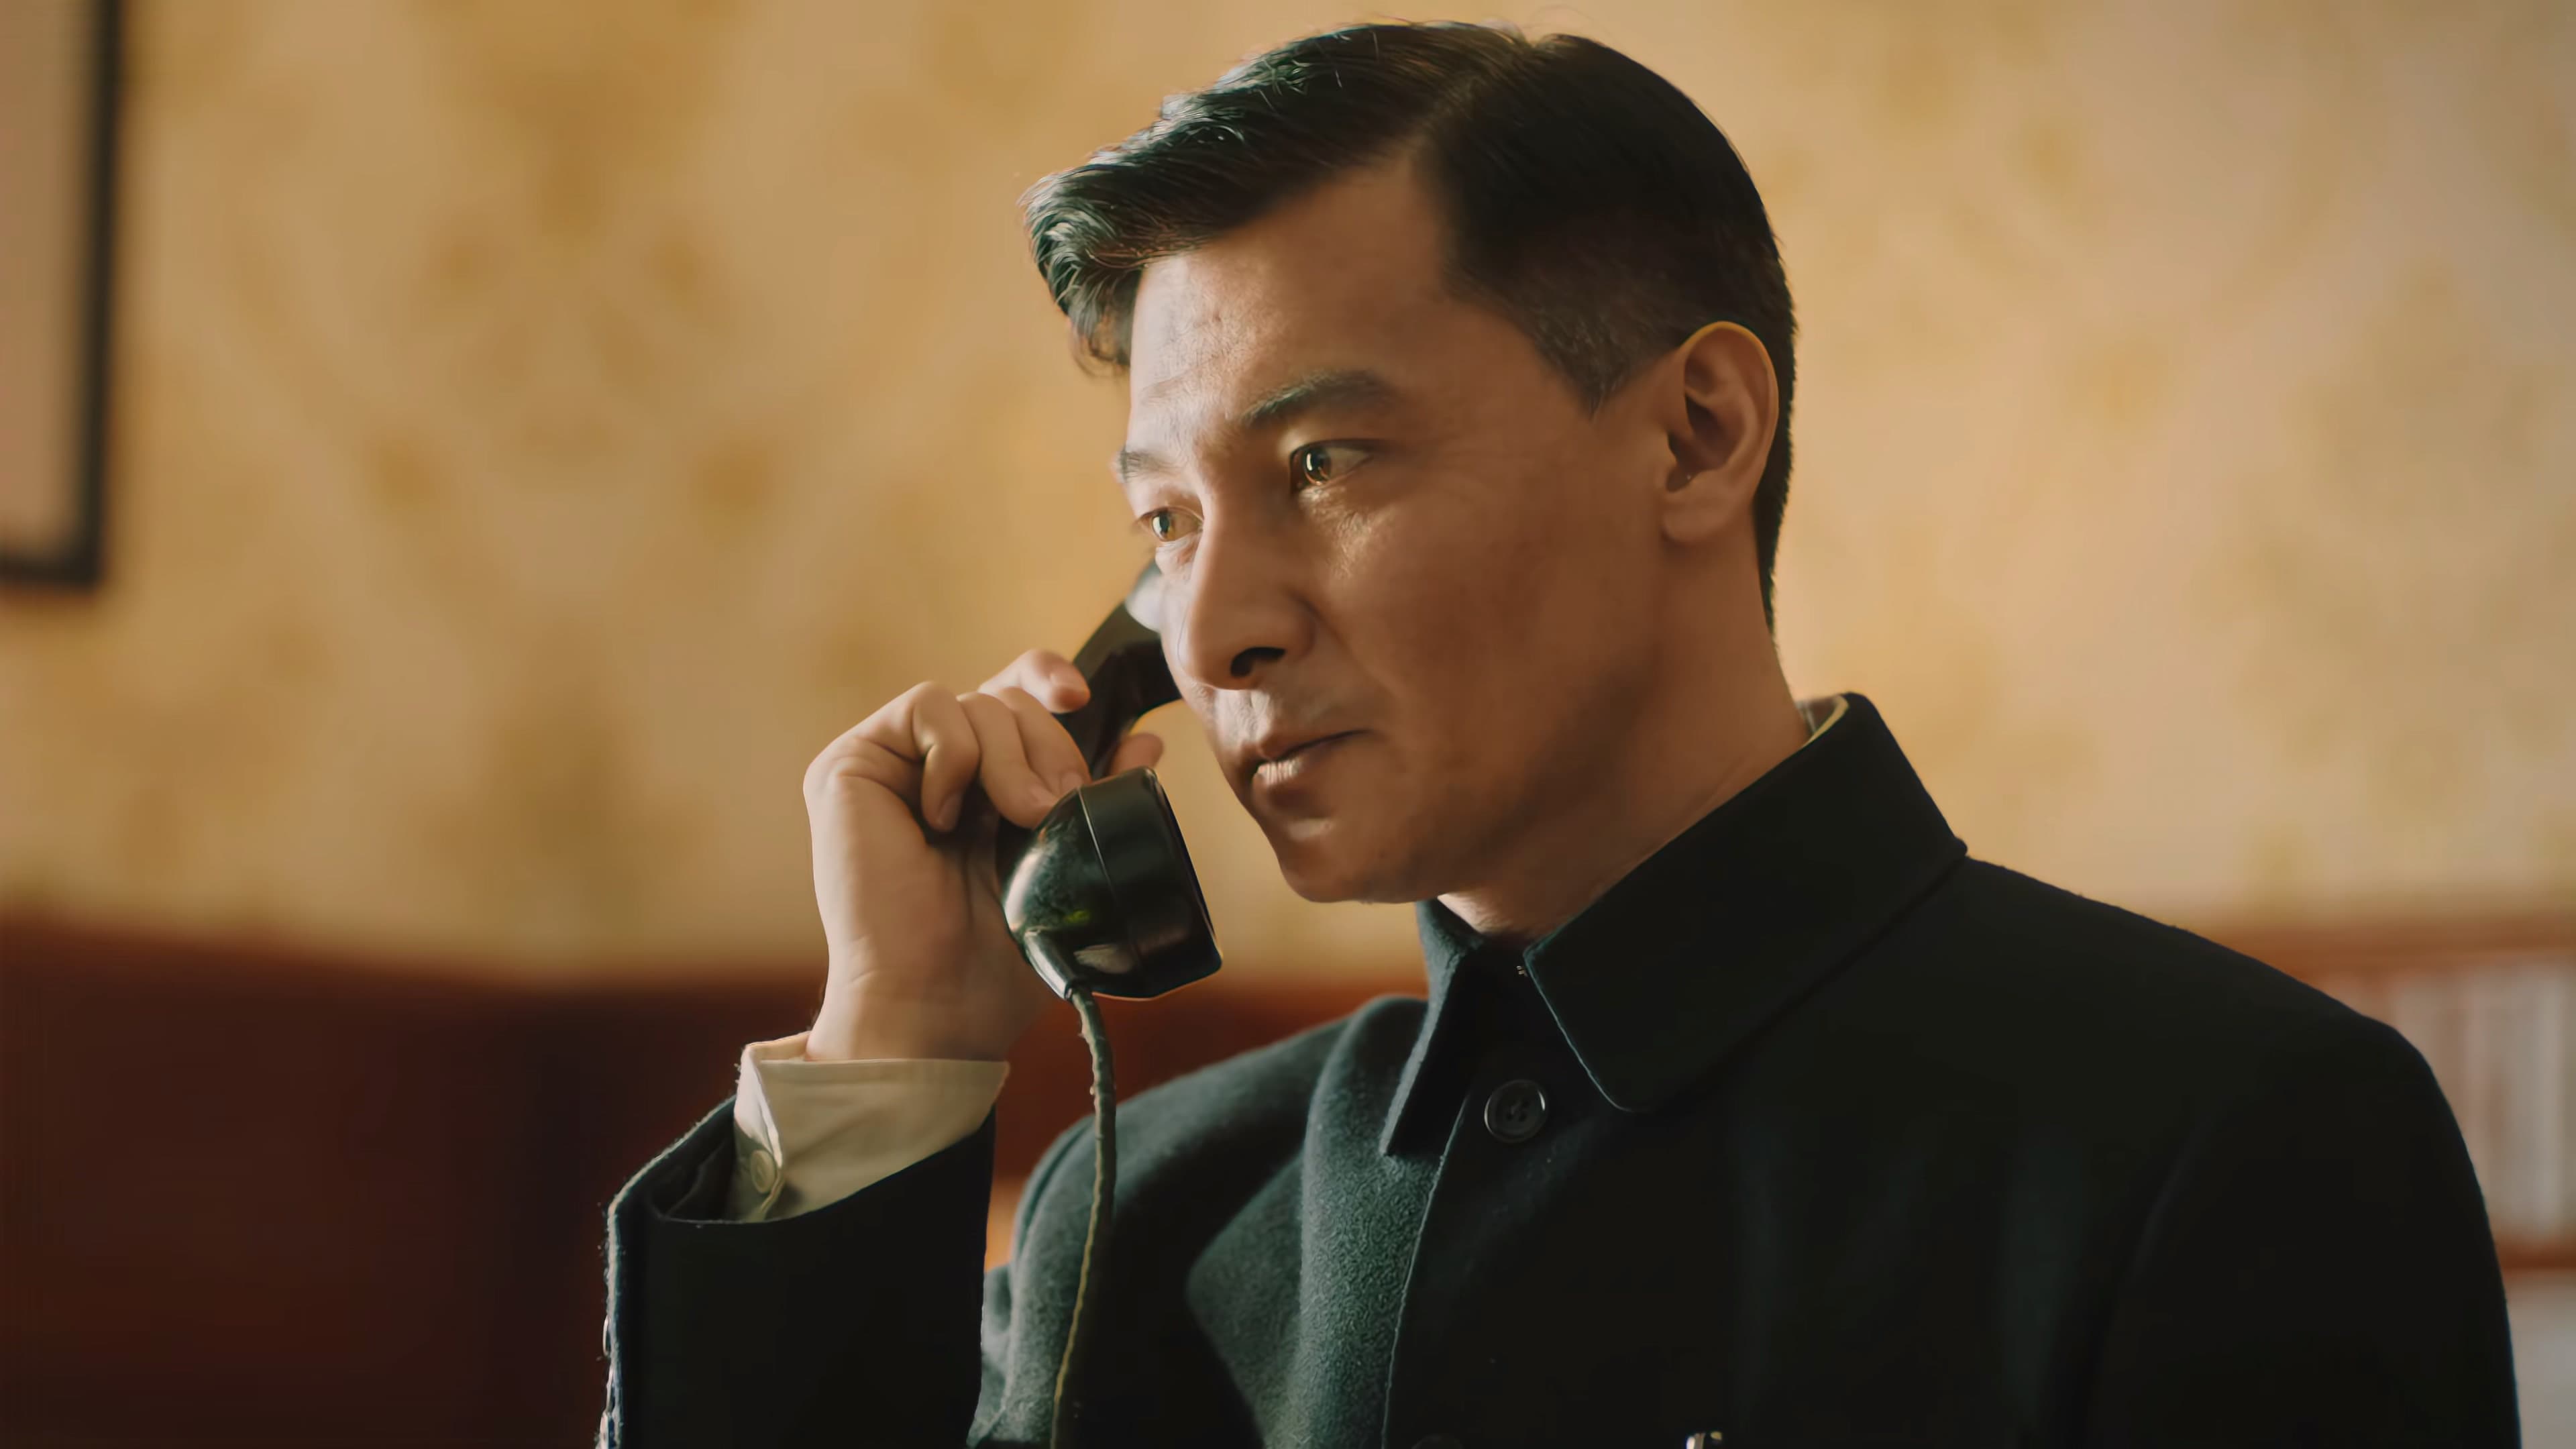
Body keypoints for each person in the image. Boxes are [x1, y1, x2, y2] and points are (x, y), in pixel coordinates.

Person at [594, 20, 2518, 1448]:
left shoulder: (2226, 1139)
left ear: (1696, 435)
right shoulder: (1144, 1208)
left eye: (1323, 464)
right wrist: (898, 1048)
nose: (1216, 624)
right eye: (1165, 525)